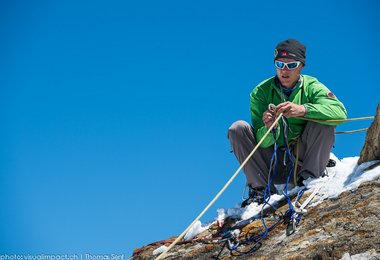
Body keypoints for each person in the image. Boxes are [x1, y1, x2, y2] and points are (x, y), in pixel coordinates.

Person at [228, 39, 347, 207]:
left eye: (291, 65)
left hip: (302, 158)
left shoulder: (312, 86)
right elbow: (259, 141)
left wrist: (303, 110)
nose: (284, 70)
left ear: (301, 66)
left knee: (325, 121)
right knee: (237, 128)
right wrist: (269, 128)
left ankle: (310, 179)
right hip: (272, 162)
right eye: (280, 64)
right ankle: (261, 189)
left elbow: (340, 113)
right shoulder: (260, 92)